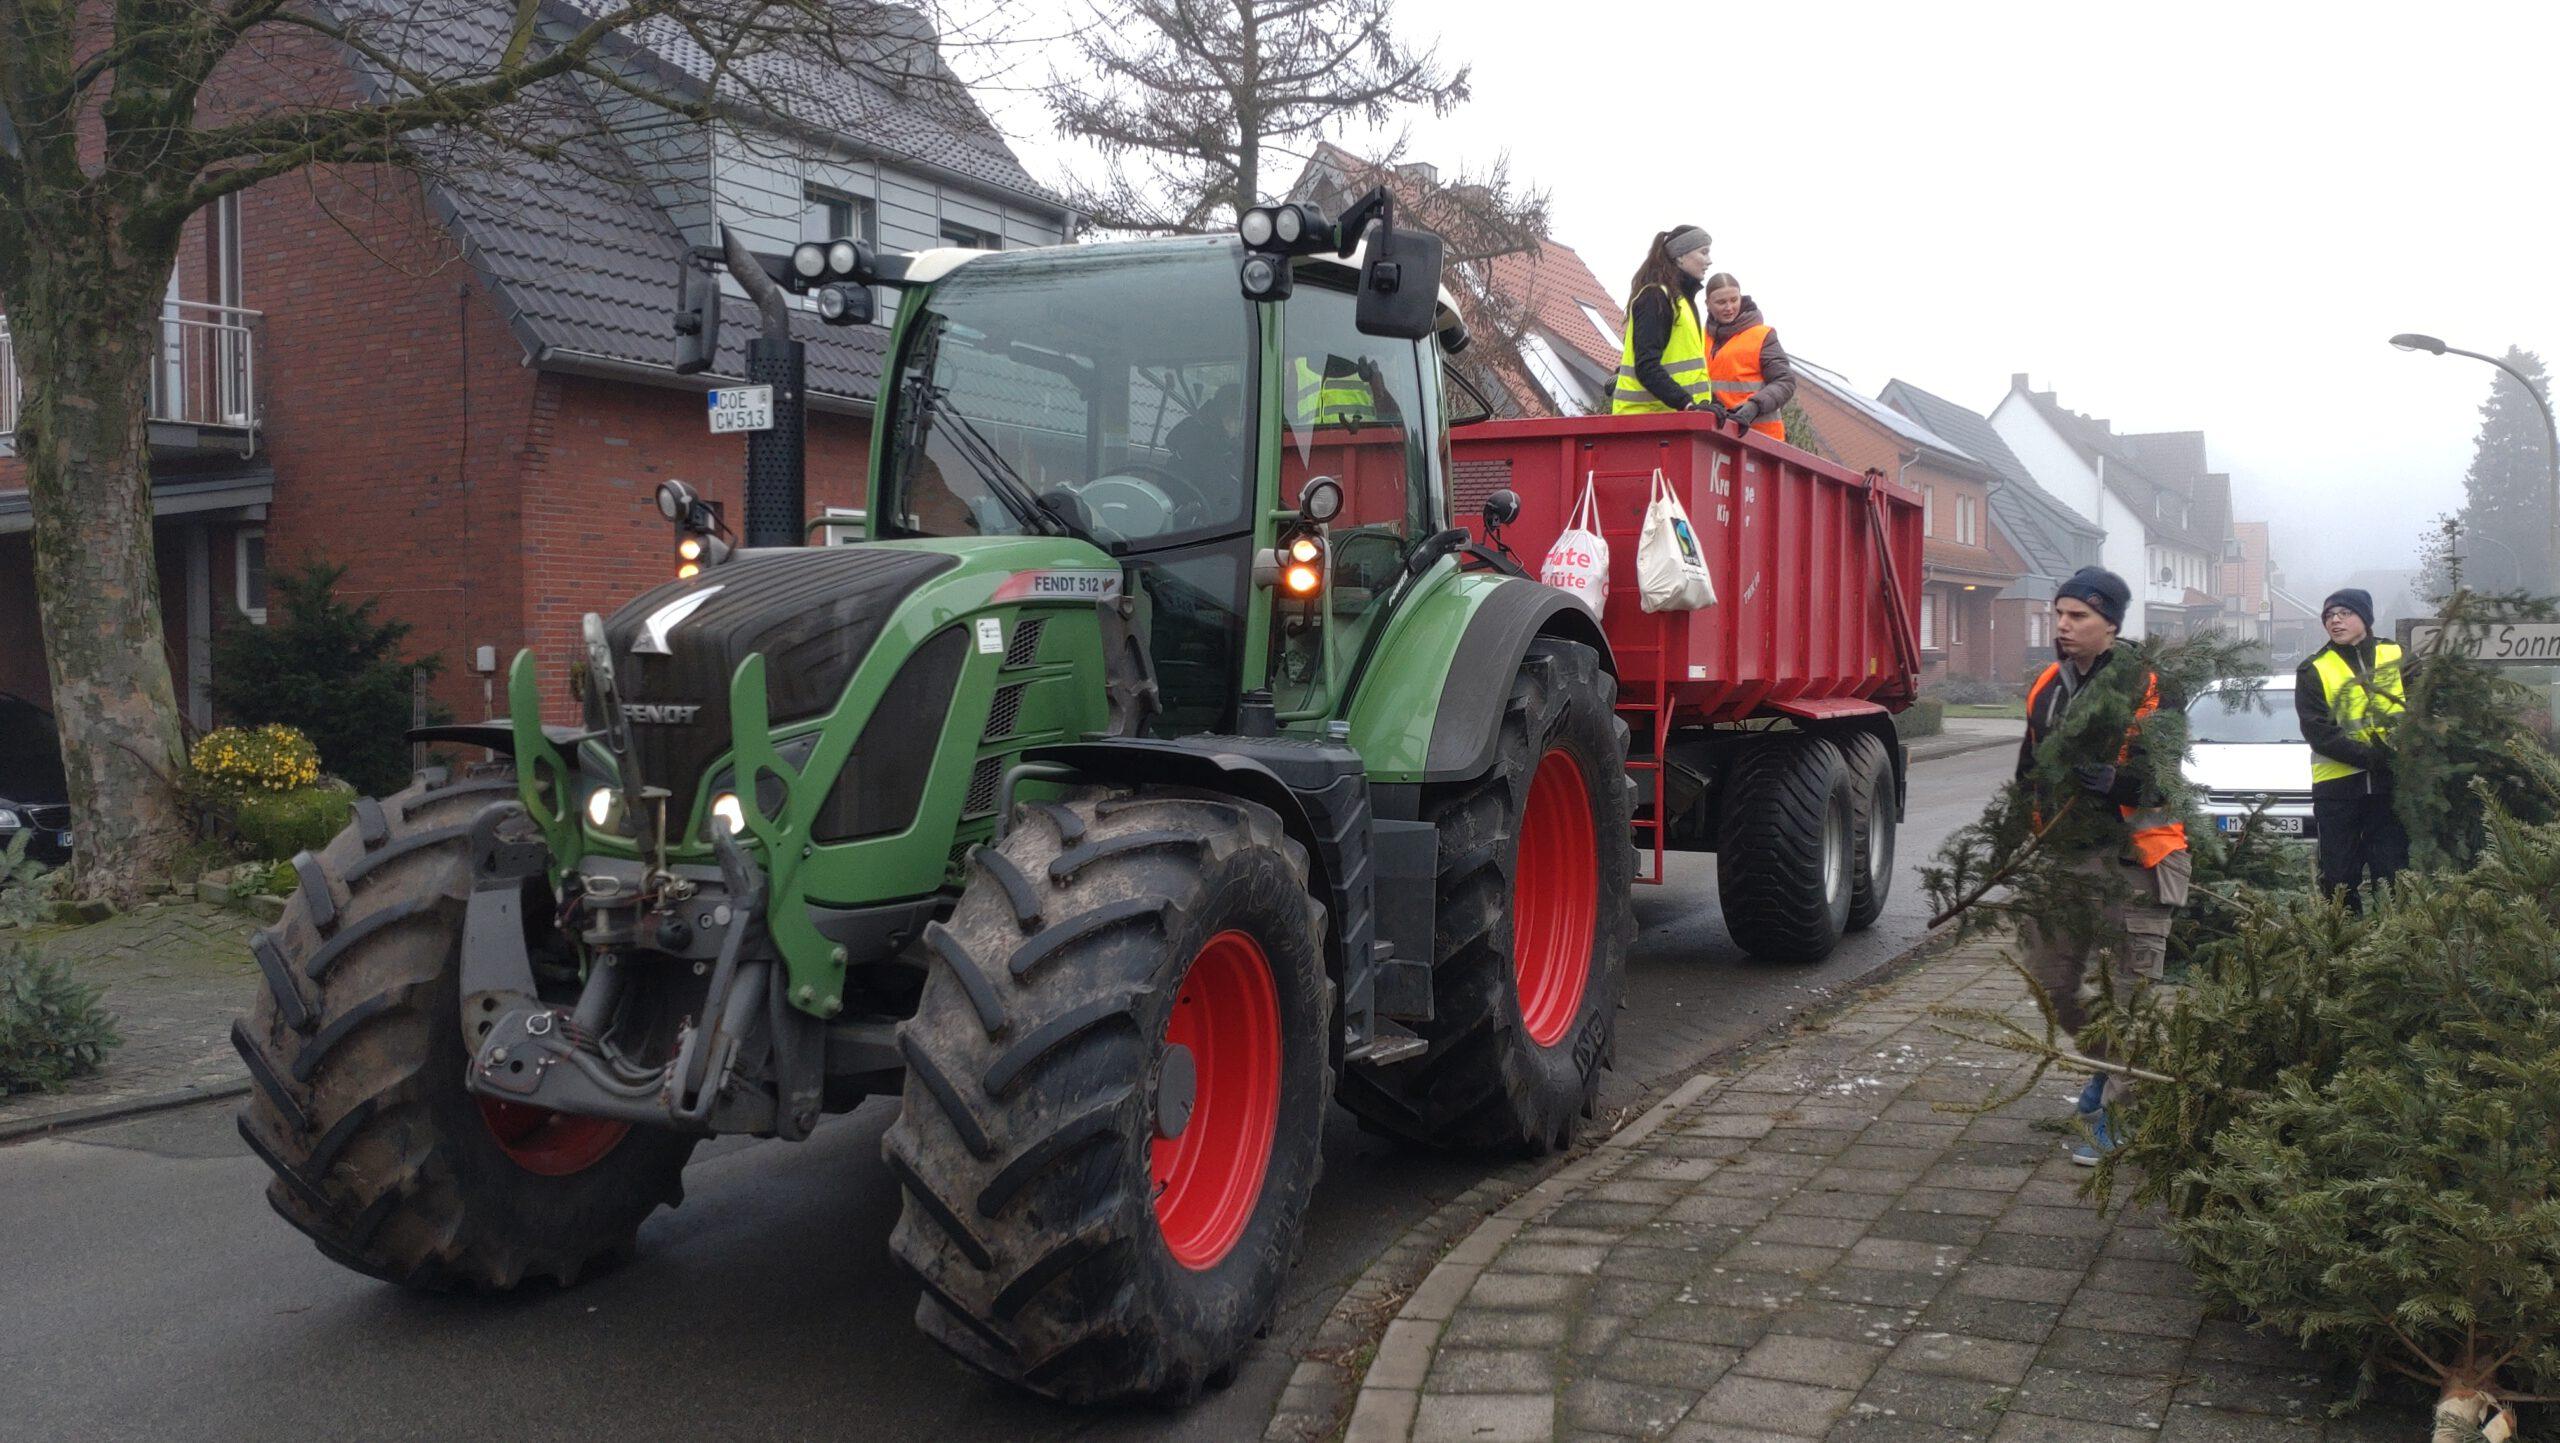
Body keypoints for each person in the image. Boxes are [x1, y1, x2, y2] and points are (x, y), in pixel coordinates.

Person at [2014, 566, 2191, 1166]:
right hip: (2063, 861)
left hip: (2136, 857)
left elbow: (2168, 773)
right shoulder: (2047, 686)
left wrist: (2119, 780)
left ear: (2111, 624)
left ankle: (2119, 1111)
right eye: (2059, 614)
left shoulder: (2150, 684)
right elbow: (2028, 771)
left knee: (2131, 996)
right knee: (2051, 985)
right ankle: (2109, 1063)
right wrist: (2018, 833)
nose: (2063, 625)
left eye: (2078, 616)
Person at [2294, 587, 2408, 907]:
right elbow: (2318, 732)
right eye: (2329, 616)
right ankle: (2344, 946)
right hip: (2338, 790)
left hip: (2390, 789)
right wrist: (2372, 757)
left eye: (2344, 613)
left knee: (2394, 873)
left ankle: (2396, 944)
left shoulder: (2396, 655)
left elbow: (2424, 709)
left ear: (2365, 619)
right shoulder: (2314, 668)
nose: (2335, 621)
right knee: (2339, 879)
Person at [1612, 226, 1717, 414]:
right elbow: (1647, 367)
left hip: (1671, 422)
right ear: (1680, 256)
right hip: (1645, 424)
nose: (1709, 261)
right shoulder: (1656, 297)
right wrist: (1687, 404)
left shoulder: (1682, 302)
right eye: (1704, 252)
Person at [1701, 273, 1795, 442]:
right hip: (1714, 436)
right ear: (1708, 304)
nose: (1729, 307)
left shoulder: (1762, 335)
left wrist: (1754, 406)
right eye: (1721, 302)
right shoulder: (1699, 338)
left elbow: (1785, 381)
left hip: (1761, 441)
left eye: (1734, 300)